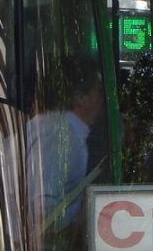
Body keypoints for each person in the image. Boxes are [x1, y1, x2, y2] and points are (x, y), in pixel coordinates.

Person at [25, 55, 104, 231]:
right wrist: (83, 219)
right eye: (98, 90)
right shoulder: (59, 138)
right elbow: (43, 214)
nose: (102, 99)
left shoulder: (53, 128)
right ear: (79, 97)